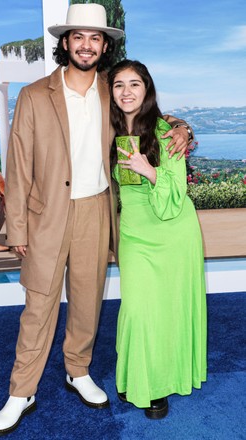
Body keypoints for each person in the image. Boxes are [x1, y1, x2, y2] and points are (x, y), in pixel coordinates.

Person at [0, 4, 192, 436]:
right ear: (65, 43)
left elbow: (153, 114)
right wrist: (18, 228)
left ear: (104, 46)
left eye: (95, 38)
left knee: (87, 300)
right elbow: (19, 164)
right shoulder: (33, 94)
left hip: (96, 209)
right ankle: (21, 390)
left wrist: (184, 128)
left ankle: (77, 370)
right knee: (38, 304)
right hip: (47, 216)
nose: (86, 45)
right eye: (78, 36)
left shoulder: (110, 90)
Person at [108, 60, 207, 419]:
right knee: (137, 308)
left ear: (147, 89)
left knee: (167, 310)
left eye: (135, 84)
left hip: (173, 230)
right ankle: (136, 374)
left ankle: (157, 387)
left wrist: (150, 171)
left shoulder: (167, 131)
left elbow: (174, 196)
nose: (127, 92)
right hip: (134, 232)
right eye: (119, 85)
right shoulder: (109, 128)